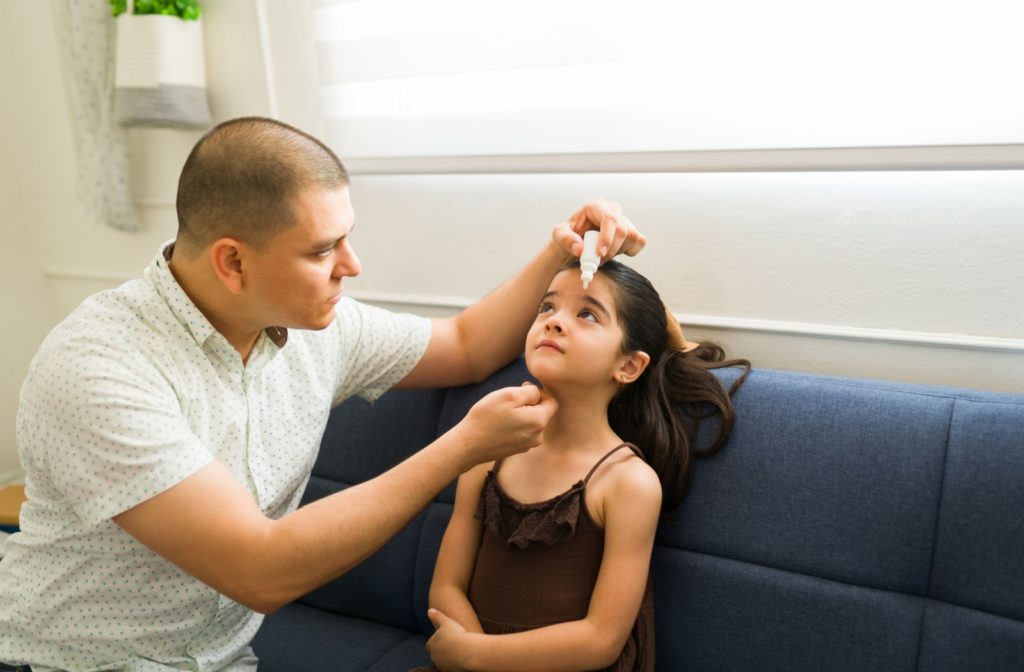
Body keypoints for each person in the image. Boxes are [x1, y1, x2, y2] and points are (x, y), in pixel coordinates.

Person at [0, 117, 647, 672]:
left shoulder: (316, 327)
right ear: (232, 262)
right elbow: (260, 571)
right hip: (70, 659)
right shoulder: (98, 370)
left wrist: (559, 244)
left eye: (347, 236)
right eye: (322, 250)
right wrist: (460, 449)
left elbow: (469, 344)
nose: (352, 265)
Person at [415, 259, 750, 671]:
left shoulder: (628, 483)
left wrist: (476, 655)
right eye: (547, 307)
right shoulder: (488, 449)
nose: (554, 322)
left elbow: (600, 640)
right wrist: (468, 655)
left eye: (587, 313)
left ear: (628, 366)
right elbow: (446, 587)